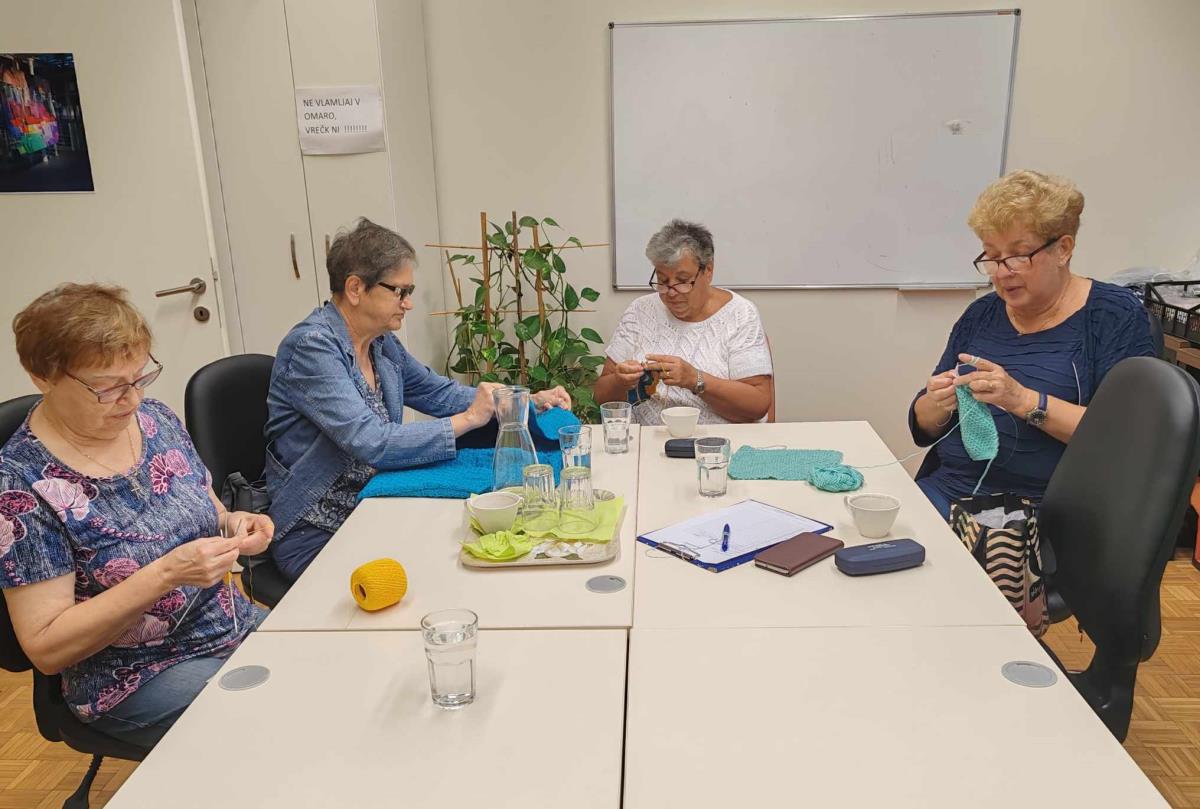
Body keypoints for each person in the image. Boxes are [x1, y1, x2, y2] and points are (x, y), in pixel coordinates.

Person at [0, 284, 272, 748]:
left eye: (139, 378)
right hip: (132, 675)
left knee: (330, 671)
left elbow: (208, 508)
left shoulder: (155, 420)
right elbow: (46, 646)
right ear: (42, 376)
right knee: (276, 721)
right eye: (107, 387)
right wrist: (165, 574)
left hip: (227, 625)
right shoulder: (21, 484)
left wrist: (234, 525)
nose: (130, 399)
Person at [266, 218, 569, 580]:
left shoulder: (380, 343)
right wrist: (469, 419)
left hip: (377, 502)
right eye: (400, 291)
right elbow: (373, 441)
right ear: (355, 288)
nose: (408, 303)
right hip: (317, 529)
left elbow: (438, 393)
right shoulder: (312, 347)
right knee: (441, 570)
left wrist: (521, 400)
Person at [910, 170, 1157, 518]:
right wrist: (938, 402)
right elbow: (923, 426)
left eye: (1018, 256)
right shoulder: (981, 314)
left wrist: (1022, 400)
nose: (1002, 272)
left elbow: (1124, 439)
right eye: (992, 257)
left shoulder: (1114, 316)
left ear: (1063, 249)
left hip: (1042, 515)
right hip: (948, 491)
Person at [595, 219, 773, 424]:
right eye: (663, 281)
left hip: (717, 440)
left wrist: (695, 379)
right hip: (646, 440)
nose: (671, 292)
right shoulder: (640, 310)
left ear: (708, 271)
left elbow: (758, 405)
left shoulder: (740, 314)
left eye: (682, 281)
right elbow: (601, 396)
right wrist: (620, 381)